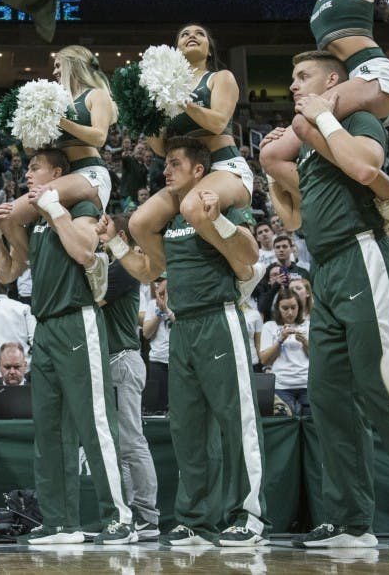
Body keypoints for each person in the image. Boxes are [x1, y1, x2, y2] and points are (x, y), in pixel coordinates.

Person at [99, 136, 268, 547]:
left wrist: (220, 220)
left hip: (219, 317)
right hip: (182, 327)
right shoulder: (169, 220)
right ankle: (196, 519)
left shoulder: (217, 202)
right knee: (187, 429)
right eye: (165, 164)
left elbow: (249, 253)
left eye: (174, 164)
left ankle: (249, 515)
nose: (165, 170)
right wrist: (116, 243)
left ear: (198, 171)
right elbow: (147, 270)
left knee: (236, 421)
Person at [260, 50, 389, 548]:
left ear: (334, 80)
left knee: (383, 388)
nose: (293, 86)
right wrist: (274, 163)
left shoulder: (357, 118)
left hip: (364, 254)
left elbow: (365, 168)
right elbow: (296, 220)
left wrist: (317, 123)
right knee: (330, 399)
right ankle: (350, 522)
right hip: (327, 270)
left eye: (303, 77)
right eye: (292, 77)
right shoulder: (315, 147)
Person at [0, 146, 134, 545]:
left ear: (57, 172)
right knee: (49, 431)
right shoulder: (35, 218)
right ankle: (60, 522)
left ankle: (119, 516)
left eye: (35, 168)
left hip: (78, 320)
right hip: (45, 328)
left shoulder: (84, 204)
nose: (27, 175)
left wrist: (55, 208)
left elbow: (85, 251)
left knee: (95, 423)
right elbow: (8, 272)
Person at [270, 0, 389, 231]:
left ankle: (386, 196)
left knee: (303, 120)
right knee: (273, 154)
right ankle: (329, 199)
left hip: (373, 75)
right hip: (352, 82)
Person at [128, 25, 263, 304]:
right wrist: (145, 114)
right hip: (187, 173)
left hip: (224, 167)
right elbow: (159, 148)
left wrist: (181, 99)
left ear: (209, 49)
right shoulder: (161, 90)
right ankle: (179, 272)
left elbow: (217, 122)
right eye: (184, 34)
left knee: (192, 205)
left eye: (200, 33)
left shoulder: (219, 78)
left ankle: (244, 272)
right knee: (139, 223)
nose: (192, 35)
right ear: (175, 50)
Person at [2, 45, 116, 301]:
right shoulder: (56, 100)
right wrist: (29, 122)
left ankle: (94, 263)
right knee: (9, 216)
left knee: (41, 196)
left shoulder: (95, 95)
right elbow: (34, 148)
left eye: (57, 65)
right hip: (64, 177)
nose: (53, 71)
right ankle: (36, 265)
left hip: (90, 173)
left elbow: (99, 137)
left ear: (73, 65)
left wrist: (60, 120)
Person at [99, 213, 159, 539]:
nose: (96, 231)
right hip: (114, 361)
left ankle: (148, 517)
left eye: (102, 228)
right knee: (120, 446)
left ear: (119, 233)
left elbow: (94, 296)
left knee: (132, 443)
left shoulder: (126, 265)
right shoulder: (114, 265)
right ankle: (129, 514)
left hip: (122, 359)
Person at [258, 287, 310, 416]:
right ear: (278, 308)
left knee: (311, 420)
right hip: (281, 386)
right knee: (285, 421)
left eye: (293, 307)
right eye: (285, 308)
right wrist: (280, 339)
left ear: (299, 307)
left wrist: (305, 342)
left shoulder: (308, 325)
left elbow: (319, 357)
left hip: (307, 384)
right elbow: (264, 360)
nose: (290, 312)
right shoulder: (269, 326)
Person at [140, 276, 172, 414]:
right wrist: (159, 313)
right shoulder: (152, 305)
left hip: (177, 360)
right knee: (158, 406)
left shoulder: (179, 304)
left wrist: (167, 310)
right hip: (157, 360)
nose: (161, 295)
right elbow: (146, 333)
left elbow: (181, 325)